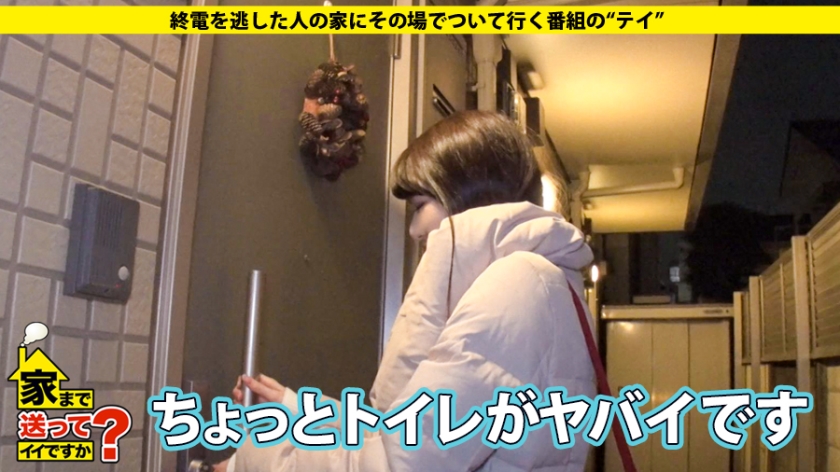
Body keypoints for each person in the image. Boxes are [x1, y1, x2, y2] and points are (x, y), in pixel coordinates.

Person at [217, 110, 596, 472]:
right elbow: (408, 435)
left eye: (420, 206)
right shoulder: (536, 283)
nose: (414, 230)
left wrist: (250, 461)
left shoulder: (515, 286)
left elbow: (399, 464)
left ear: (466, 193)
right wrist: (296, 410)